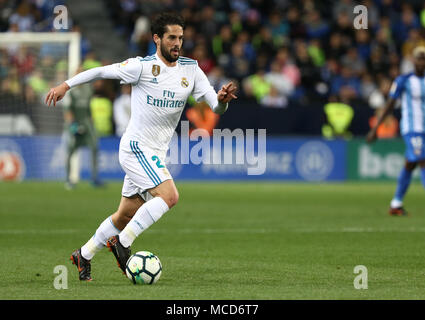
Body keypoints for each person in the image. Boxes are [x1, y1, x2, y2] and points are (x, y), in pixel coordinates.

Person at [45, 12, 237, 281]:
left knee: (124, 214)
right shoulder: (141, 67)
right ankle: (122, 243)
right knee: (169, 197)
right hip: (136, 148)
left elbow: (216, 105)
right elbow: (101, 71)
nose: (177, 43)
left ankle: (83, 255)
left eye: (180, 38)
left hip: (156, 153)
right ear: (157, 38)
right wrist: (66, 84)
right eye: (171, 37)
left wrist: (223, 100)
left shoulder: (191, 70)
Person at [367, 46, 425, 216]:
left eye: (424, 58)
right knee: (422, 159)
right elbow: (389, 105)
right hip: (412, 128)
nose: (422, 62)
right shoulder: (403, 80)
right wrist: (376, 128)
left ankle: (396, 204)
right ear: (413, 60)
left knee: (410, 163)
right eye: (419, 58)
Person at [62, 67, 101, 189]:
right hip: (74, 124)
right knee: (70, 151)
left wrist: (91, 120)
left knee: (94, 147)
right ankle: (68, 180)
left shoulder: (88, 89)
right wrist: (73, 126)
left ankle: (94, 179)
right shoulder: (70, 91)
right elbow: (67, 111)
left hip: (87, 123)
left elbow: (89, 108)